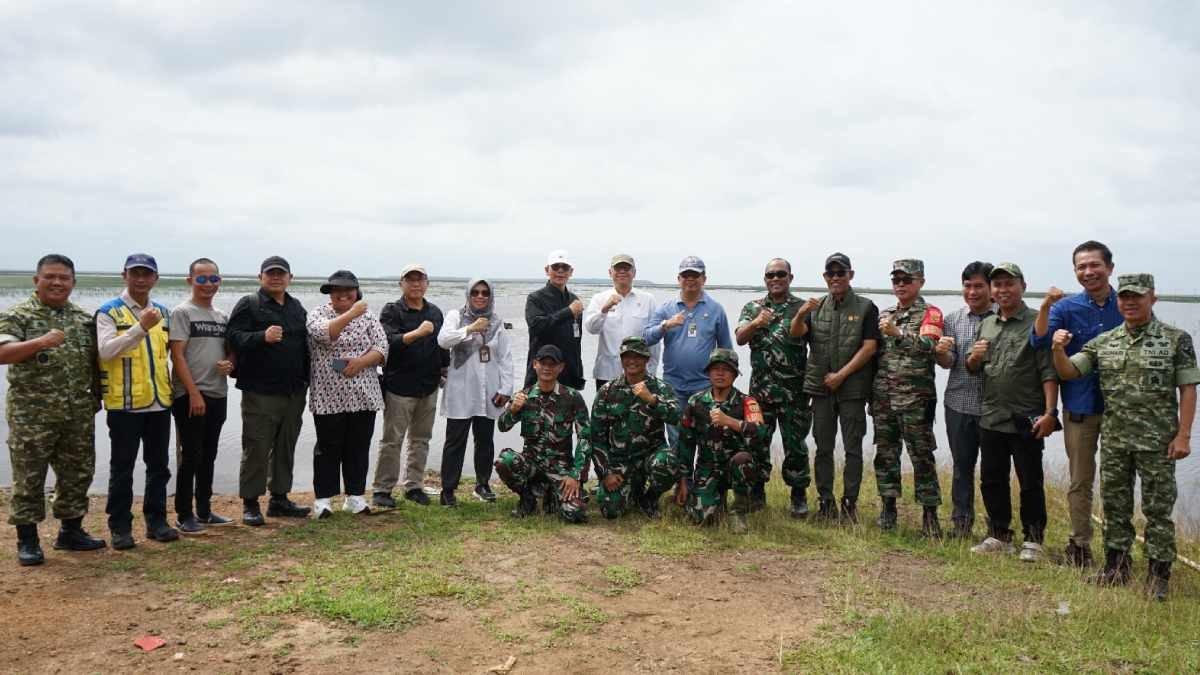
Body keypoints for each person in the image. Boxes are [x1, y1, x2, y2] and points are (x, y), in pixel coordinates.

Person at [1052, 274, 1198, 600]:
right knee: (1116, 507)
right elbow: (1069, 372)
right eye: (1126, 297)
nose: (1130, 303)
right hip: (1115, 440)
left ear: (1153, 299)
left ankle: (1158, 576)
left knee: (1158, 511)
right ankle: (1116, 568)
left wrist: (1184, 436)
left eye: (1138, 297)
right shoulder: (1105, 341)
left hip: (1158, 443)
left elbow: (1187, 389)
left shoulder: (1176, 339)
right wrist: (1058, 349)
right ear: (1119, 301)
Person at [0, 254, 105, 565]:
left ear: (73, 282)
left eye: (64, 278)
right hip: (32, 416)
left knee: (77, 473)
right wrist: (40, 342)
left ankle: (71, 532)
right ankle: (28, 540)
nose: (57, 282)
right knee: (29, 477)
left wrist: (97, 396)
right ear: (37, 280)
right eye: (50, 277)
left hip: (77, 413)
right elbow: (3, 353)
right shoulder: (17, 316)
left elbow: (94, 361)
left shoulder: (82, 318)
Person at [1029, 240, 1122, 568]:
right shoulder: (1066, 308)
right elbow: (1038, 341)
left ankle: (1117, 550)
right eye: (1081, 267)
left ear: (1109, 268)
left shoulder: (1127, 305)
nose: (1088, 272)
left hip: (1121, 411)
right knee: (1080, 480)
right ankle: (1079, 546)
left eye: (1094, 265)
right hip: (1080, 408)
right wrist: (1044, 309)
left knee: (1118, 482)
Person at [967, 263, 1060, 563]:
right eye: (997, 285)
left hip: (1026, 415)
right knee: (992, 478)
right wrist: (974, 357)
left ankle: (1033, 538)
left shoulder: (1038, 321)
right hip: (992, 413)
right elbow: (973, 367)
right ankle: (999, 534)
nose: (1003, 290)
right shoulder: (988, 323)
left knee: (1030, 479)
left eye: (1009, 284)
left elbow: (1048, 371)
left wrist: (1050, 412)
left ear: (1022, 285)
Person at [789, 252, 880, 523]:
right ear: (825, 277)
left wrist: (841, 375)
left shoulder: (866, 307)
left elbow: (870, 347)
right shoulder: (816, 308)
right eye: (831, 273)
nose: (836, 278)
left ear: (851, 275)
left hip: (852, 389)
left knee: (852, 447)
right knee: (823, 447)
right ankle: (826, 503)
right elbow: (795, 333)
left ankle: (849, 505)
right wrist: (801, 313)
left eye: (841, 273)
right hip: (821, 389)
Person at [96, 253, 178, 548]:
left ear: (155, 278)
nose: (141, 279)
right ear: (125, 275)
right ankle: (120, 527)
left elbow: (169, 354)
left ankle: (156, 522)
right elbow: (105, 351)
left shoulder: (164, 313)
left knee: (159, 466)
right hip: (125, 405)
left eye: (147, 274)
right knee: (122, 467)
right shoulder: (108, 312)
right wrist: (140, 327)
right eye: (135, 273)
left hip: (158, 402)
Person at [227, 255, 311, 525]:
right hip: (260, 391)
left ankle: (279, 499)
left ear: (290, 278)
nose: (276, 277)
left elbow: (306, 346)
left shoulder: (297, 307)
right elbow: (232, 337)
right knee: (257, 446)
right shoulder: (249, 304)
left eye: (281, 273)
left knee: (285, 446)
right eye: (270, 273)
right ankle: (250, 503)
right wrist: (261, 336)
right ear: (260, 277)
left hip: (294, 391)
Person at [306, 271, 388, 518]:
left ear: (356, 291)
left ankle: (355, 496)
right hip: (328, 395)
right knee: (327, 447)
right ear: (329, 293)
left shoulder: (371, 317)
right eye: (337, 290)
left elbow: (382, 347)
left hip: (364, 394)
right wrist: (352, 313)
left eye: (348, 290)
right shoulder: (317, 314)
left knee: (359, 446)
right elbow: (324, 334)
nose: (343, 294)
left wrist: (361, 363)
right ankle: (323, 499)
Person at [871, 260, 945, 536]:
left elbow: (929, 346)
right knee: (886, 454)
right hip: (883, 398)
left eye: (907, 279)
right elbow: (877, 356)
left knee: (922, 456)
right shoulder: (886, 313)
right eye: (896, 280)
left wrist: (899, 332)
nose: (900, 285)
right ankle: (888, 508)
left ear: (920, 282)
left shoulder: (931, 314)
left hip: (916, 399)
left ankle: (930, 514)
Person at [735, 258, 812, 516]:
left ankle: (798, 495)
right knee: (757, 442)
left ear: (790, 277)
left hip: (794, 393)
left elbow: (818, 345)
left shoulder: (802, 308)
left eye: (781, 274)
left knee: (796, 445)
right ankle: (757, 492)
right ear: (765, 279)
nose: (775, 279)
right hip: (760, 392)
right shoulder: (753, 307)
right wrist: (757, 322)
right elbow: (740, 338)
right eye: (770, 275)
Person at [371, 263, 449, 508]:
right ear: (401, 283)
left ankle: (413, 486)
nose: (416, 284)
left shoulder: (435, 312)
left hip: (429, 386)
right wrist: (416, 333)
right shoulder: (392, 310)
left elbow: (442, 347)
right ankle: (382, 490)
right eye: (410, 279)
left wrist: (445, 372)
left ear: (427, 283)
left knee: (421, 439)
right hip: (400, 387)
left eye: (420, 279)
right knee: (391, 440)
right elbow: (387, 342)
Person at [168, 257, 235, 533]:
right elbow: (177, 354)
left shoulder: (222, 317)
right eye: (202, 279)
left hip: (218, 392)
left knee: (209, 454)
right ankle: (184, 514)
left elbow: (231, 352)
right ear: (190, 281)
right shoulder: (182, 312)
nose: (208, 284)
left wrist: (231, 362)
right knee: (191, 454)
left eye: (213, 279)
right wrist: (193, 393)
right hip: (190, 395)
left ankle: (205, 510)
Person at [437, 278, 514, 506]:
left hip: (488, 390)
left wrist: (506, 389)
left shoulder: (497, 322)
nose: (480, 296)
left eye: (485, 293)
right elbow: (443, 340)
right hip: (461, 391)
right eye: (475, 292)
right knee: (455, 442)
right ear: (468, 294)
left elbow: (505, 358)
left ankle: (482, 484)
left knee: (485, 440)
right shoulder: (456, 316)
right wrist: (470, 328)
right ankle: (448, 490)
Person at [674, 349, 768, 534]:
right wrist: (683, 482)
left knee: (743, 460)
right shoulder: (696, 403)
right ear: (708, 373)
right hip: (707, 469)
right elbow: (685, 445)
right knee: (703, 519)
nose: (720, 373)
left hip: (735, 467)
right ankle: (717, 501)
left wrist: (731, 422)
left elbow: (761, 433)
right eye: (715, 369)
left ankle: (738, 510)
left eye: (726, 369)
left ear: (734, 374)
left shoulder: (748, 402)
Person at [643, 256, 733, 449]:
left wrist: (724, 385)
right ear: (678, 278)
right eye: (686, 275)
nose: (690, 279)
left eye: (695, 275)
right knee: (677, 440)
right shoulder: (666, 308)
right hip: (673, 384)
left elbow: (727, 351)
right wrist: (665, 325)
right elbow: (646, 338)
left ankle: (702, 479)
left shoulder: (716, 309)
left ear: (704, 279)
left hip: (705, 386)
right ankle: (682, 480)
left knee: (707, 438)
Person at [934, 262, 995, 539]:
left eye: (979, 285)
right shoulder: (953, 319)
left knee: (994, 471)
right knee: (962, 467)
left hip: (994, 406)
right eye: (967, 286)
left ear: (991, 288)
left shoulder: (1003, 318)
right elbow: (947, 363)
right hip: (958, 403)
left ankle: (997, 529)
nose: (972, 291)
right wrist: (941, 352)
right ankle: (961, 525)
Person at [495, 345, 590, 523]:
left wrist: (576, 475)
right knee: (504, 461)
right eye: (542, 363)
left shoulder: (572, 397)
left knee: (576, 514)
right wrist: (513, 410)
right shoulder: (524, 396)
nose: (547, 368)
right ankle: (527, 497)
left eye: (552, 364)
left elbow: (585, 438)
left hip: (560, 469)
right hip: (532, 467)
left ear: (560, 367)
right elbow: (502, 426)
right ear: (535, 365)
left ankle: (550, 496)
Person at [589, 337, 680, 519]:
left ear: (647, 359)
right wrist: (605, 473)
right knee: (611, 510)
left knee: (669, 461)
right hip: (621, 460)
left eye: (638, 356)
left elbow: (677, 417)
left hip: (651, 456)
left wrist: (652, 400)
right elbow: (597, 438)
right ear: (621, 360)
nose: (632, 361)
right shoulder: (607, 391)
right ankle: (633, 490)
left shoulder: (660, 388)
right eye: (627, 356)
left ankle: (650, 498)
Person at [584, 254, 661, 389]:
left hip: (640, 373)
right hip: (607, 373)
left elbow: (654, 340)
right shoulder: (599, 298)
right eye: (618, 268)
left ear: (634, 273)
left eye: (626, 268)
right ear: (610, 272)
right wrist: (604, 309)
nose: (622, 272)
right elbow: (591, 328)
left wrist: (652, 369)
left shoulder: (648, 299)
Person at [524, 250, 585, 390]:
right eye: (556, 267)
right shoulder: (535, 298)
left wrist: (578, 372)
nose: (560, 271)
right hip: (542, 372)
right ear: (547, 270)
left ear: (571, 272)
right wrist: (568, 312)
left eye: (565, 267)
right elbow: (537, 327)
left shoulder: (574, 300)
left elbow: (576, 341)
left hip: (569, 374)